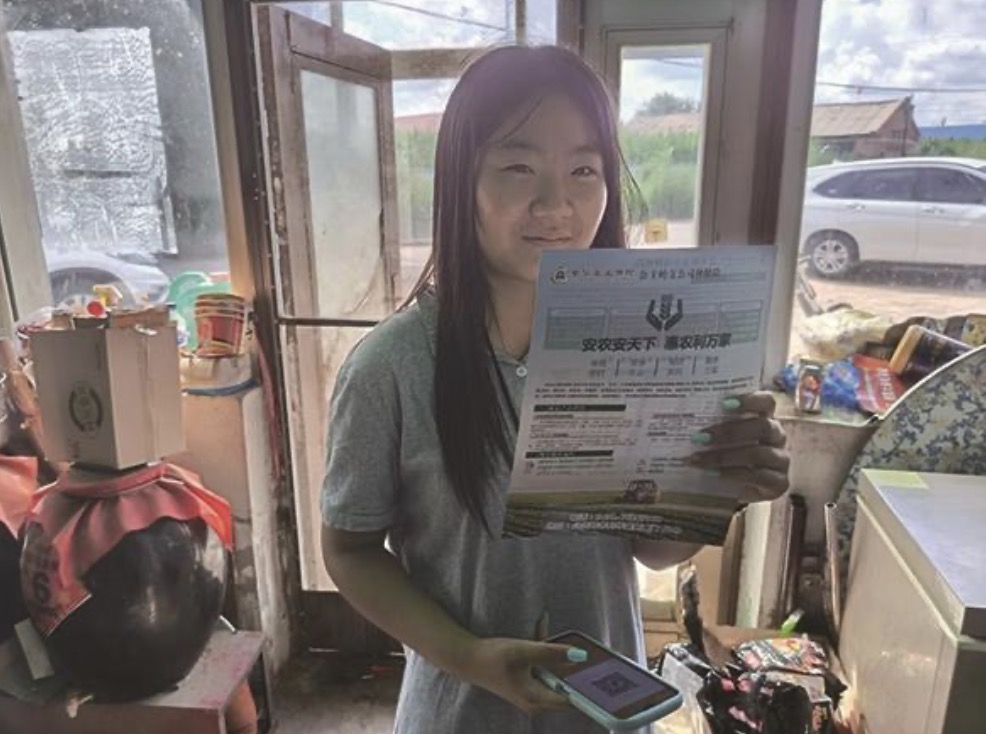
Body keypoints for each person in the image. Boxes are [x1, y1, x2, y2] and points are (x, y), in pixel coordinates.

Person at [320, 45, 790, 734]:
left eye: (583, 170)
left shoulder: (644, 351)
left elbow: (650, 550)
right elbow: (350, 548)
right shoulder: (390, 367)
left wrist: (723, 487)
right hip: (460, 715)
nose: (557, 204)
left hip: (607, 711)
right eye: (518, 167)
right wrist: (470, 655)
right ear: (460, 180)